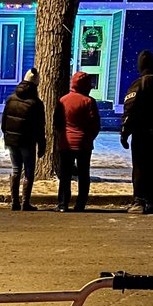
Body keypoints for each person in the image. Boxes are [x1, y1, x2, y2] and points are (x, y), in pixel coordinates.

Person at [120, 50, 153, 214]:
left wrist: (125, 131)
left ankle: (140, 200)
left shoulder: (139, 84)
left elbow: (130, 109)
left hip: (142, 133)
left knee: (140, 166)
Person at [0, 67, 46, 211]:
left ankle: (14, 202)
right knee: (28, 172)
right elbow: (40, 127)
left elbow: (3, 122)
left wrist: (7, 135)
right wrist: (42, 144)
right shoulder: (36, 103)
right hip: (27, 141)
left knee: (15, 170)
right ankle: (25, 202)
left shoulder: (11, 99)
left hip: (12, 140)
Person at [55, 71, 100, 212]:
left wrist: (62, 136)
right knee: (84, 174)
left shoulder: (63, 100)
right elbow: (95, 124)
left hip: (66, 143)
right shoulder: (88, 102)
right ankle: (80, 204)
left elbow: (57, 122)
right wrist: (89, 137)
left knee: (65, 175)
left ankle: (63, 204)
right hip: (83, 144)